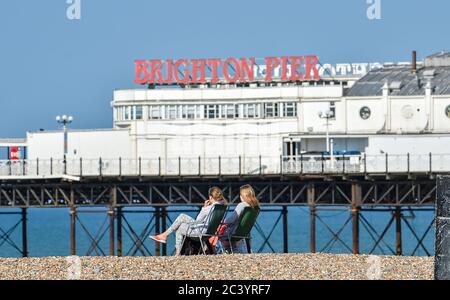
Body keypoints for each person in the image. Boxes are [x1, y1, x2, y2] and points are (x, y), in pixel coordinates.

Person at [149, 186, 227, 255]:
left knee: (181, 217)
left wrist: (204, 207)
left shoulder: (210, 207)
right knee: (180, 226)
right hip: (210, 233)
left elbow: (198, 220)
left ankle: (169, 241)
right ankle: (167, 240)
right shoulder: (222, 206)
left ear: (210, 197)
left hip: (201, 232)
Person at [219, 184, 260, 253]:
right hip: (244, 233)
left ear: (242, 196)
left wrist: (221, 221)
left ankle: (210, 251)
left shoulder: (242, 205)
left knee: (216, 232)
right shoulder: (255, 207)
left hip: (233, 233)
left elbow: (231, 220)